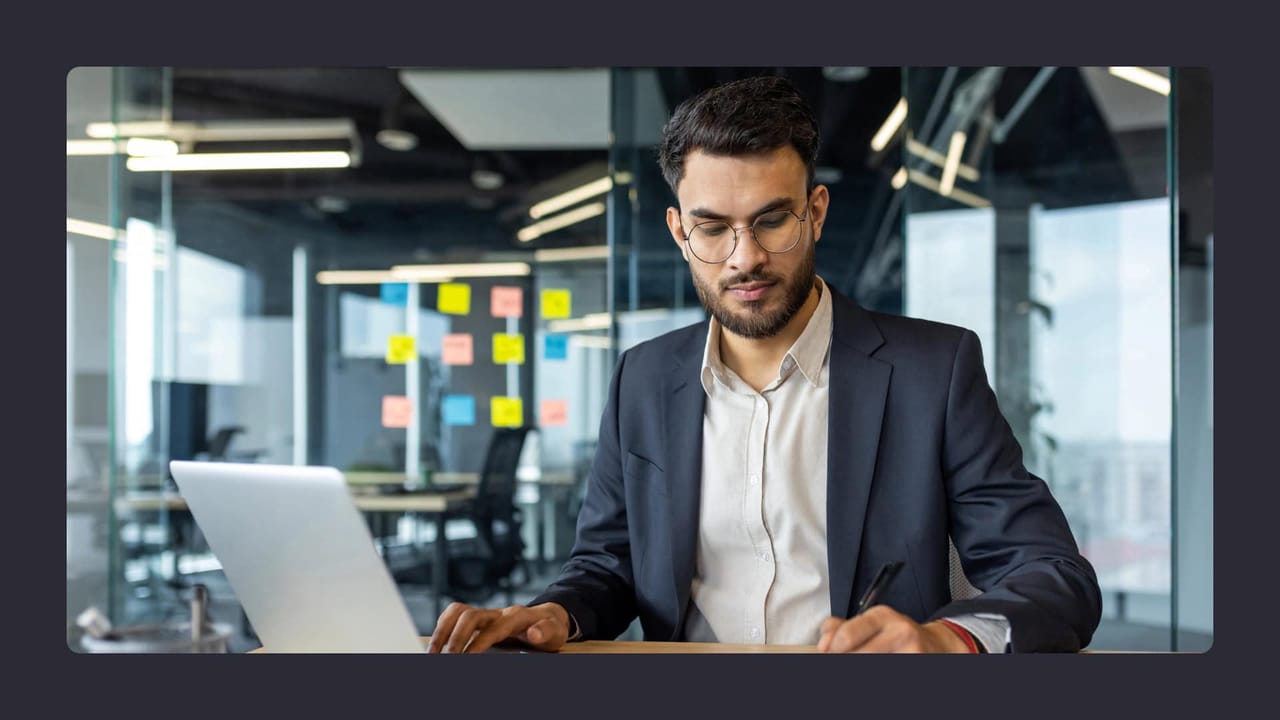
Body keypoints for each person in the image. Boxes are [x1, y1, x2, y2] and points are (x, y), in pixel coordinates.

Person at [429, 74, 1101, 654]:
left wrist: (943, 640)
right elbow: (609, 564)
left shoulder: (934, 370)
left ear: (815, 212)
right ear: (679, 232)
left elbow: (1051, 575)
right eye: (713, 228)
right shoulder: (643, 377)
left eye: (771, 221)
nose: (744, 257)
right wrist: (555, 613)